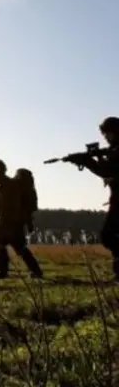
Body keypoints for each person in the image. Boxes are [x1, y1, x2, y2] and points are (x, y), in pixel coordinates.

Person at [65, 117, 119, 281]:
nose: (106, 137)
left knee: (108, 235)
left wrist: (87, 161)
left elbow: (106, 171)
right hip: (116, 197)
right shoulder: (113, 150)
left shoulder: (117, 151)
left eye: (108, 133)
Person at [0, 159, 43, 280]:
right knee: (19, 247)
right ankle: (35, 271)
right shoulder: (1, 185)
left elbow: (10, 203)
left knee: (2, 245)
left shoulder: (8, 185)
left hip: (8, 220)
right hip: (14, 221)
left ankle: (2, 272)